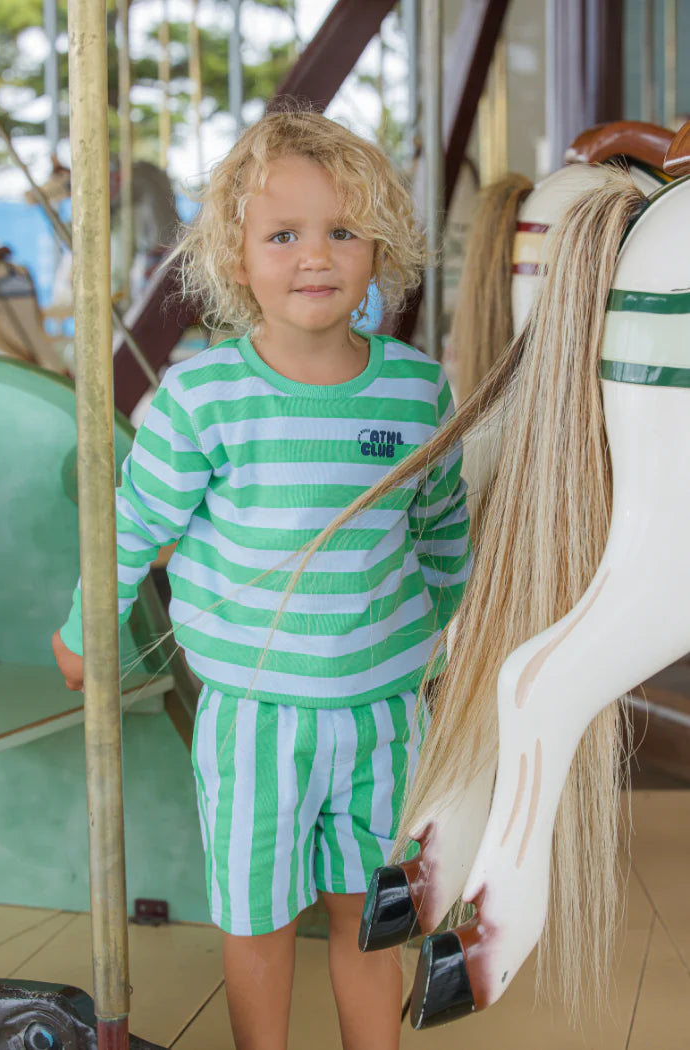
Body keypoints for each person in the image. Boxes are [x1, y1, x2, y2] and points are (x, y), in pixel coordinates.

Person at [52, 109, 471, 1050]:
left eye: (341, 232)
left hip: (384, 713)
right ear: (237, 259)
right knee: (257, 920)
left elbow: (444, 522)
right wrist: (90, 631)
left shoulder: (416, 391)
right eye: (283, 235)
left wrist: (443, 627)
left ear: (378, 252)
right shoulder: (204, 399)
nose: (314, 257)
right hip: (252, 717)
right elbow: (126, 530)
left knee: (371, 918)